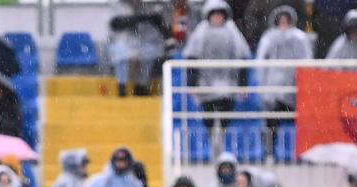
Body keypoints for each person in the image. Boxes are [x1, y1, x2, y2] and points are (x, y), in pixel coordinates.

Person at [183, 0, 251, 134]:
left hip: (228, 85)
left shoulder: (233, 32)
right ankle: (211, 146)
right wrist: (192, 83)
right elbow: (192, 58)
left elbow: (242, 57)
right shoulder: (201, 32)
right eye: (214, 14)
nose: (217, 18)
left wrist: (242, 84)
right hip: (206, 85)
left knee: (226, 119)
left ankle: (223, 145)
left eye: (220, 15)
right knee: (208, 120)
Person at [255, 6, 313, 136]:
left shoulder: (299, 37)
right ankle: (269, 152)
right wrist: (264, 87)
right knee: (271, 120)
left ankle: (299, 151)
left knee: (298, 121)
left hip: (294, 87)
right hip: (273, 88)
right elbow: (261, 61)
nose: (284, 25)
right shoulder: (269, 37)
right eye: (281, 21)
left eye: (286, 21)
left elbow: (307, 61)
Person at [107, 0, 168, 96]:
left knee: (148, 54)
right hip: (120, 44)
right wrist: (141, 17)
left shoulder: (148, 8)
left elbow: (160, 25)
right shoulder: (116, 6)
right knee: (122, 54)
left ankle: (140, 88)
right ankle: (122, 88)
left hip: (140, 45)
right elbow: (116, 24)